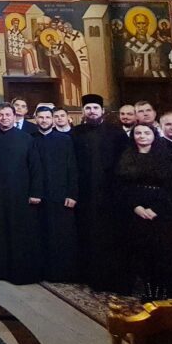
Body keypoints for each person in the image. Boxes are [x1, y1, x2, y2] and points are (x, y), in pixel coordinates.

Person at [116, 124, 172, 300]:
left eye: (146, 133)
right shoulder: (126, 155)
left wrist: (157, 209)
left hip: (161, 209)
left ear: (154, 136)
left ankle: (161, 289)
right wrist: (136, 207)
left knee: (160, 251)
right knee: (140, 251)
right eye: (138, 133)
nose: (142, 136)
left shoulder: (166, 157)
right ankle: (147, 290)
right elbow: (121, 186)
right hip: (134, 209)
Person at [71, 94, 126, 290]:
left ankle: (108, 277)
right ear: (83, 111)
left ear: (102, 111)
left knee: (108, 236)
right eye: (88, 108)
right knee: (85, 233)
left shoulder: (116, 133)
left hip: (108, 193)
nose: (92, 111)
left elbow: (123, 164)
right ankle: (86, 275)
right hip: (85, 193)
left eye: (95, 108)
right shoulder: (75, 133)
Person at [0, 103, 43, 284]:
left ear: (14, 116)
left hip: (20, 193)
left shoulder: (26, 138)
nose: (4, 118)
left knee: (19, 232)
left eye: (7, 114)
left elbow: (35, 168)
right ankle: (0, 269)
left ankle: (19, 271)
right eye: (0, 115)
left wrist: (35, 192)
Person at [29, 106, 79, 282]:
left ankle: (60, 273)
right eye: (40, 117)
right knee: (39, 234)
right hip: (37, 196)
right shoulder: (30, 139)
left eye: (47, 117)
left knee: (60, 235)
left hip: (60, 194)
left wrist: (72, 194)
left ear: (52, 119)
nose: (43, 120)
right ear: (35, 119)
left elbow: (72, 168)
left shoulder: (64, 140)